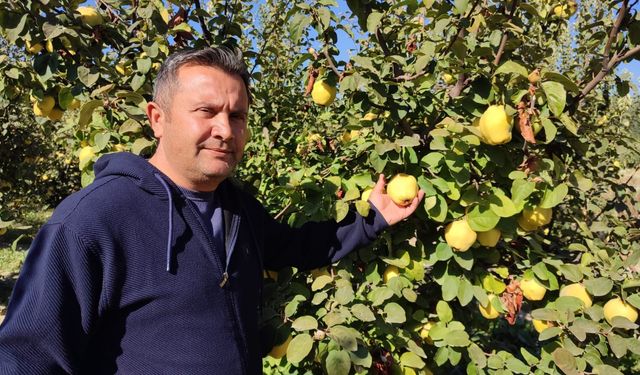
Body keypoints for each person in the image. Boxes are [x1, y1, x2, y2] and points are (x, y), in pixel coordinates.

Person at [0, 47, 424, 374]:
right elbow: (26, 357)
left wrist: (374, 219)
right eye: (206, 111)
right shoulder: (93, 221)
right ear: (157, 118)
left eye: (236, 115)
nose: (225, 130)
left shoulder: (236, 209)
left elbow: (296, 246)